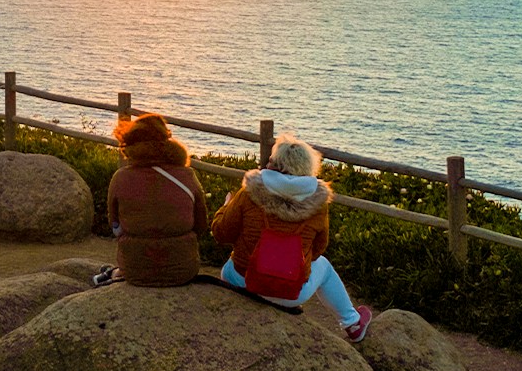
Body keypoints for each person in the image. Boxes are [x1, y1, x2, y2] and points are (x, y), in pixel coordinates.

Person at [211, 134, 372, 342]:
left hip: (241, 282)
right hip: (291, 293)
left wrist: (225, 208)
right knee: (323, 264)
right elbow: (318, 250)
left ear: (274, 162)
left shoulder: (248, 192)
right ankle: (352, 322)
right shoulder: (318, 204)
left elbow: (221, 233)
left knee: (234, 261)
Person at [100, 113, 209, 287]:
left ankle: (115, 273)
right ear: (167, 141)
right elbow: (201, 225)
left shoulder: (120, 178)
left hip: (135, 271)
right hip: (182, 271)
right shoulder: (187, 176)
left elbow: (114, 225)